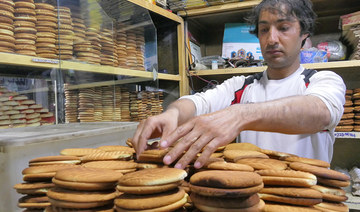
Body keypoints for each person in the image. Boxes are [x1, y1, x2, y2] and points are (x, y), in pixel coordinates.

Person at [132, 0, 346, 169]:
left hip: (308, 201)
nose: (272, 39)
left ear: (303, 37)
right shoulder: (242, 85)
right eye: (264, 30)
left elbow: (320, 111)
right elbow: (197, 103)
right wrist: (172, 114)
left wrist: (240, 116)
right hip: (250, 199)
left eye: (284, 28)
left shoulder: (323, 80)